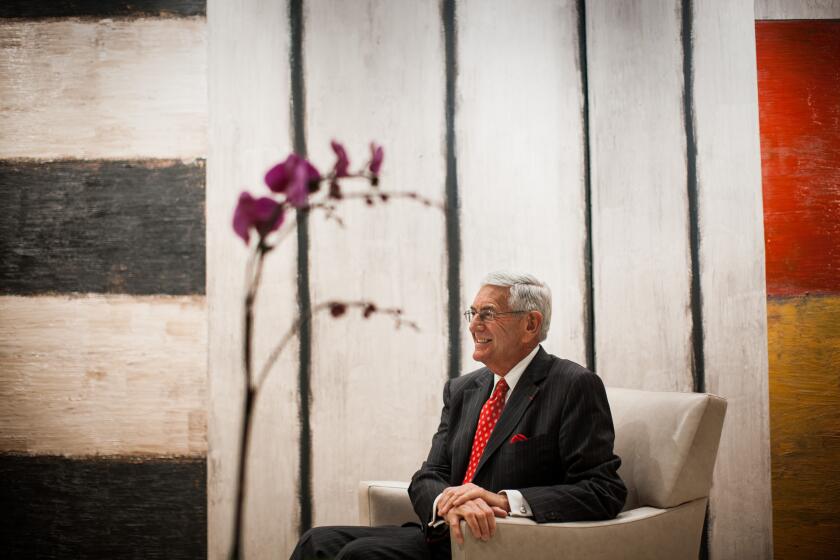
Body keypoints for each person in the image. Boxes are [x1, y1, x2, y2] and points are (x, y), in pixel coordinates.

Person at [291, 272, 626, 560]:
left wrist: (503, 502)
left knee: (360, 556)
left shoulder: (572, 385)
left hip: (501, 542)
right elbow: (428, 474)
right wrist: (446, 501)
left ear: (530, 323)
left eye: (488, 313)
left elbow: (602, 489)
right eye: (473, 312)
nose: (474, 325)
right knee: (316, 542)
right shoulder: (463, 389)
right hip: (443, 533)